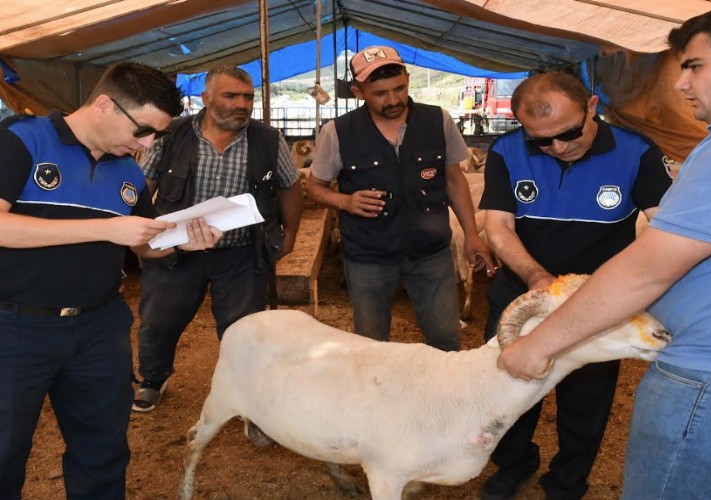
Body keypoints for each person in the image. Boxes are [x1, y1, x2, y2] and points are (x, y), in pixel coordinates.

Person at [498, 1, 711, 498]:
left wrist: (538, 344)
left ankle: (567, 480)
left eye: (694, 65)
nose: (680, 83)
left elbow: (649, 268)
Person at [0, 62, 222, 498]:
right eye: (143, 130)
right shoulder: (20, 141)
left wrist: (180, 242)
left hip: (98, 327)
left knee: (103, 450)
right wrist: (104, 228)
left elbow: (141, 244)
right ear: (105, 104)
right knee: (4, 452)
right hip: (15, 328)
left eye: (156, 135)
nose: (146, 144)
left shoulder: (128, 171)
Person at [478, 71, 672, 499]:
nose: (558, 148)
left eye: (568, 134)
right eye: (541, 141)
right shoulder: (507, 151)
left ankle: (567, 481)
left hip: (597, 301)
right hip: (523, 297)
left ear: (592, 106)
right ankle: (513, 464)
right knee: (510, 388)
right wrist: (536, 278)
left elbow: (668, 227)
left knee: (586, 400)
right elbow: (498, 226)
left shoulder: (636, 153)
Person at [132, 65, 303, 412]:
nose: (242, 104)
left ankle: (245, 392)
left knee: (243, 329)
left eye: (248, 97)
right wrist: (140, 235)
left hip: (241, 251)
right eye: (231, 96)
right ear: (206, 98)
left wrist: (290, 235)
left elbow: (290, 186)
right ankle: (153, 378)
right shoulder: (171, 135)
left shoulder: (267, 140)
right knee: (159, 319)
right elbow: (141, 188)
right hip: (176, 249)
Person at [305, 46, 494, 351]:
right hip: (368, 255)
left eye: (399, 88)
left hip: (430, 253)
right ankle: (378, 397)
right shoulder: (337, 132)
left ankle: (440, 398)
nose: (392, 100)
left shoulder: (438, 121)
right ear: (358, 91)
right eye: (379, 92)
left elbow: (454, 179)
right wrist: (345, 202)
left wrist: (471, 234)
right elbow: (314, 186)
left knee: (445, 338)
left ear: (407, 79)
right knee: (370, 342)